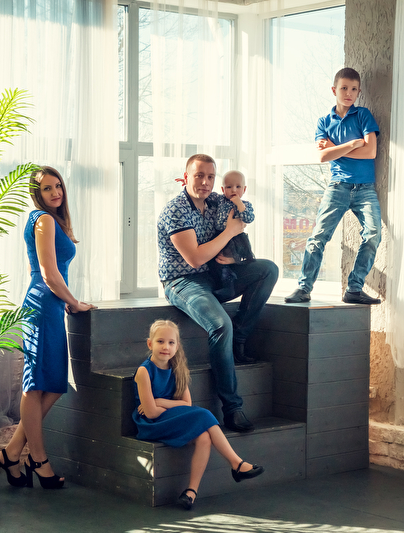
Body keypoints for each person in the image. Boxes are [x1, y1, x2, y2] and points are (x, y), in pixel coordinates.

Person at [157, 154, 278, 432]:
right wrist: (230, 231)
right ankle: (232, 409)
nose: (205, 182)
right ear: (186, 177)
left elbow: (242, 222)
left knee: (267, 269)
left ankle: (240, 338)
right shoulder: (175, 210)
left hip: (217, 275)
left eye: (210, 177)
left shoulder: (216, 201)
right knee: (221, 324)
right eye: (199, 175)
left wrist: (235, 258)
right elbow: (195, 258)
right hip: (183, 281)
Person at [0, 166, 96, 490]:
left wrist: (63, 299)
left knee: (52, 383)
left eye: (58, 186)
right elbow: (48, 274)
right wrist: (74, 301)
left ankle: (11, 453)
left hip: (49, 305)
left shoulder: (46, 221)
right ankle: (38, 461)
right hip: (42, 306)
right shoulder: (43, 220)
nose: (55, 193)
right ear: (37, 194)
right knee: (36, 383)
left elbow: (36, 269)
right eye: (47, 188)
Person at [133, 320, 264, 510]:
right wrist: (166, 407)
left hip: (170, 418)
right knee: (204, 414)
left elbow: (186, 404)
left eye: (171, 342)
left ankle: (191, 492)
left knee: (204, 437)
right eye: (160, 341)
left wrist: (161, 402)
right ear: (150, 343)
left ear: (177, 346)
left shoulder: (177, 369)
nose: (166, 347)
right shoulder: (144, 371)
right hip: (152, 424)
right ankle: (236, 463)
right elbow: (151, 412)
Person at [285, 67, 382, 305]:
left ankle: (354, 289)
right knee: (318, 237)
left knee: (373, 234)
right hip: (337, 187)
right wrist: (352, 144)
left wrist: (335, 148)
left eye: (354, 89)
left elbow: (370, 152)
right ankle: (303, 288)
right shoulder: (324, 122)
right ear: (334, 90)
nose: (349, 93)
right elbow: (322, 156)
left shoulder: (363, 115)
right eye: (344, 88)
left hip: (365, 188)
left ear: (359, 92)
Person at [208, 170, 256, 301]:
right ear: (223, 189)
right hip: (219, 235)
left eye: (238, 186)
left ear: (244, 189)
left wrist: (239, 204)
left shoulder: (245, 205)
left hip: (236, 238)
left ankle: (229, 287)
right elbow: (207, 195)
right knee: (217, 261)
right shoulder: (220, 200)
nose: (233, 190)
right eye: (229, 187)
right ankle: (221, 284)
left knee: (228, 259)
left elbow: (249, 218)